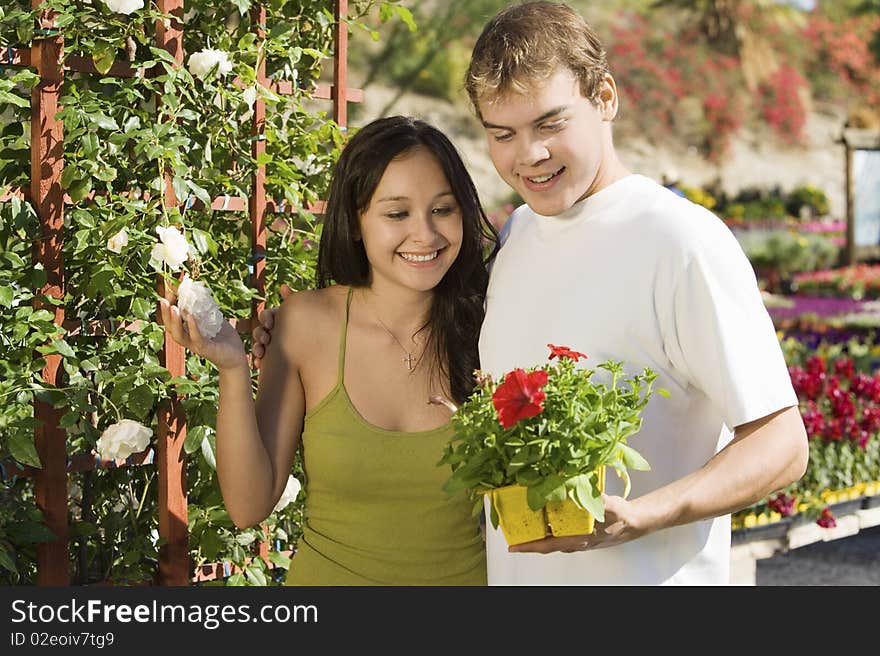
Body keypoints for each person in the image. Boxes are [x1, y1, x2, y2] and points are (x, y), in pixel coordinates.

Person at [255, 2, 809, 586]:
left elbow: (781, 443)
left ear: (605, 99)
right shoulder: (517, 237)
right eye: (503, 133)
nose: (529, 155)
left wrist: (643, 515)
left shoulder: (680, 240)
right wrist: (282, 338)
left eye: (550, 124)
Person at [161, 116, 494, 585]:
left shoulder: (493, 328)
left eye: (443, 209)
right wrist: (234, 371)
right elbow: (248, 506)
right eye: (397, 214)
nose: (426, 234)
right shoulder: (305, 325)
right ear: (356, 222)